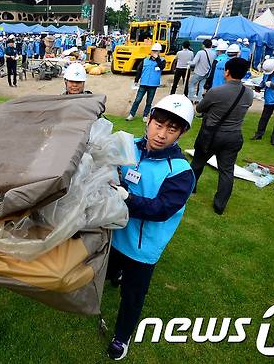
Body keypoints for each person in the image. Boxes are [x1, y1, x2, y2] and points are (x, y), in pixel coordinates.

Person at [106, 94, 196, 361]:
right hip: (113, 233)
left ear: (181, 133)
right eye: (159, 124)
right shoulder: (128, 146)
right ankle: (115, 273)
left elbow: (161, 209)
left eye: (172, 129)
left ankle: (121, 337)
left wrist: (127, 197)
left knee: (132, 296)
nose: (161, 134)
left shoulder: (180, 172)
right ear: (149, 119)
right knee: (107, 271)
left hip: (142, 248)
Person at [191, 58, 253, 215]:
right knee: (226, 170)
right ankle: (220, 205)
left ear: (227, 72)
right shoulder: (249, 93)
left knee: (198, 163)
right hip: (234, 136)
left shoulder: (216, 91)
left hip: (211, 135)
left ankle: (190, 188)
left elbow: (199, 109)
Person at [126, 43, 165, 122]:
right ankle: (131, 114)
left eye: (156, 51)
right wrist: (136, 80)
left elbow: (161, 67)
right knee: (137, 100)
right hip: (143, 83)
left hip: (153, 85)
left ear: (159, 52)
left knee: (149, 102)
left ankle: (145, 115)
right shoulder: (145, 60)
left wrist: (157, 58)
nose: (154, 52)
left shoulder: (162, 61)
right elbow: (139, 70)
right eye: (153, 51)